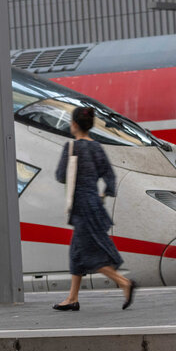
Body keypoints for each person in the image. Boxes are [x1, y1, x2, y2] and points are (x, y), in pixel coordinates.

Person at [54, 106, 137, 311]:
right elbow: (109, 175)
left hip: (81, 207)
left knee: (90, 254)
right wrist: (104, 193)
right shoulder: (97, 147)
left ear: (74, 125)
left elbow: (60, 175)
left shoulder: (71, 147)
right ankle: (72, 298)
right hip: (94, 204)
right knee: (77, 253)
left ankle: (124, 282)